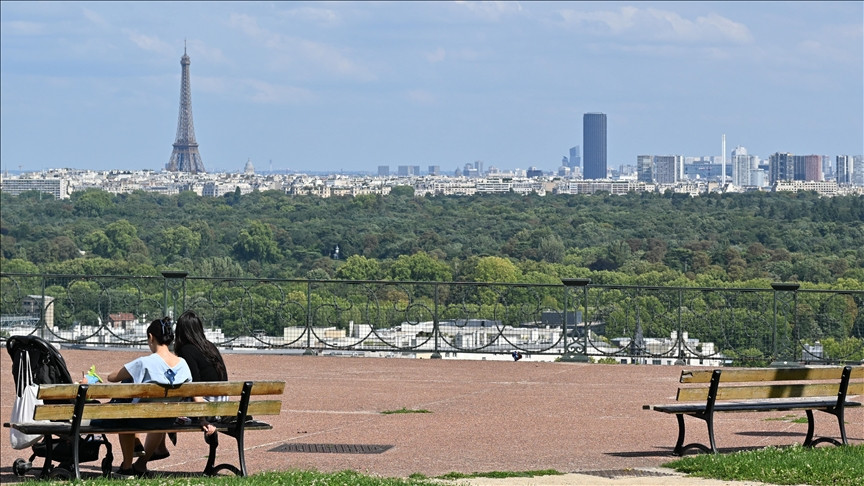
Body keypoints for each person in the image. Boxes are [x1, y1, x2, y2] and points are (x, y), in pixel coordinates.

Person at [99, 317, 195, 477]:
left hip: (140, 419)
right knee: (158, 409)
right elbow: (192, 392)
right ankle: (135, 460)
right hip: (168, 420)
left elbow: (113, 377)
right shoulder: (183, 364)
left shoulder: (144, 362)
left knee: (124, 416)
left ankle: (127, 467)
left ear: (151, 337)